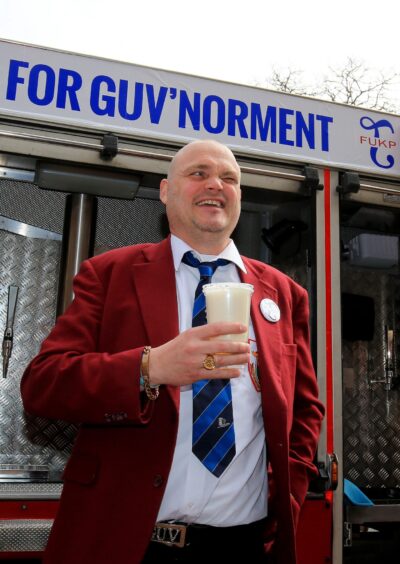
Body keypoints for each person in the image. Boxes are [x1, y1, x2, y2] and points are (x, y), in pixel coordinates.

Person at [21, 139, 324, 564]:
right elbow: (44, 384)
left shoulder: (284, 295)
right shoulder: (111, 275)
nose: (215, 185)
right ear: (165, 191)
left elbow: (305, 412)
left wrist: (286, 500)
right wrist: (150, 367)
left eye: (229, 178)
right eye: (198, 173)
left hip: (243, 545)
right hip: (131, 542)